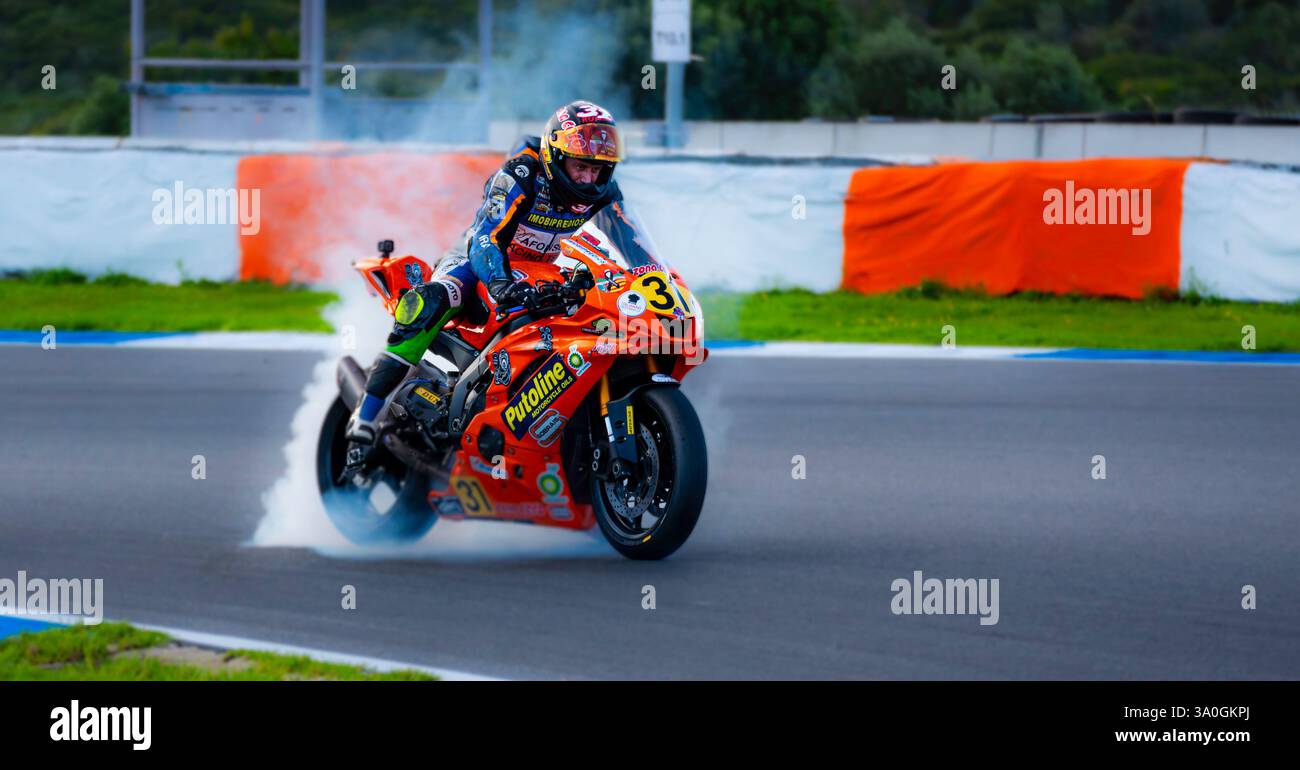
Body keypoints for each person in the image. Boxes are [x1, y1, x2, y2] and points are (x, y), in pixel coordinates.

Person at [342, 100, 626, 472]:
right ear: (556, 155)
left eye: (596, 169)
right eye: (580, 167)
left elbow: (628, 247)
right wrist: (500, 282)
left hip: (551, 276)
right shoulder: (522, 173)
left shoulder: (606, 193)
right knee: (428, 302)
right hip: (482, 266)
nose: (589, 179)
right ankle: (364, 416)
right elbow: (485, 237)